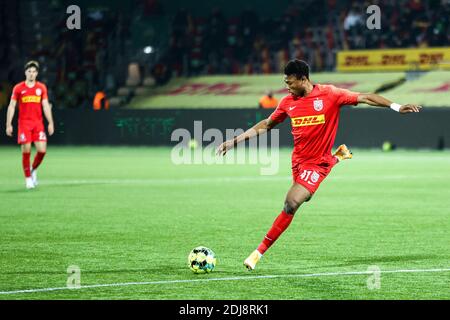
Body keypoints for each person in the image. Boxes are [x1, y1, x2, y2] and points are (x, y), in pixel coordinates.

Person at [216, 59, 421, 270]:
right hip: (298, 163)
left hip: (316, 164)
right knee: (304, 197)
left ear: (303, 79)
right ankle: (336, 158)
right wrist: (234, 141)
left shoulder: (330, 94)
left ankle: (257, 253)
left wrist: (396, 106)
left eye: (290, 83)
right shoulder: (288, 102)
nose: (287, 87)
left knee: (291, 203)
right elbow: (267, 125)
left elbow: (366, 97)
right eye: (285, 83)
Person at [5, 60, 55, 189]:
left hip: (38, 124)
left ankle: (33, 170)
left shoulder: (41, 87)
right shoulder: (18, 88)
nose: (31, 74)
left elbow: (45, 106)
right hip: (24, 124)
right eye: (29, 71)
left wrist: (50, 122)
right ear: (25, 73)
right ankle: (28, 179)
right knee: (26, 151)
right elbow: (11, 106)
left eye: (34, 71)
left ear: (37, 73)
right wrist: (8, 124)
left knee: (42, 151)